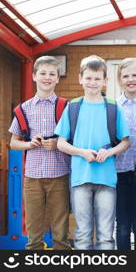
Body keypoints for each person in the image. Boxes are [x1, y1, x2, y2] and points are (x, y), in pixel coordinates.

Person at [55, 55, 130, 250]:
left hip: (107, 178)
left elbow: (125, 142)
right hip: (80, 178)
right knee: (82, 235)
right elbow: (61, 143)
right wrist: (81, 152)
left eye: (97, 79)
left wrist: (110, 152)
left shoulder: (113, 107)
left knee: (106, 236)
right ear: (80, 79)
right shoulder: (73, 107)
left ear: (105, 81)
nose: (92, 83)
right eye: (88, 78)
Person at [9, 56, 71, 250]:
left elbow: (74, 139)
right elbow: (13, 143)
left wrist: (58, 143)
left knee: (61, 231)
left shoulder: (66, 107)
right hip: (32, 177)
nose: (47, 77)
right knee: (33, 231)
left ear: (58, 78)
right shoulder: (23, 109)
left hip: (59, 175)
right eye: (43, 73)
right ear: (34, 76)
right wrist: (29, 145)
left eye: (52, 74)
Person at [115, 58, 136, 250]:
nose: (131, 79)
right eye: (126, 76)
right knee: (123, 226)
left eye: (135, 75)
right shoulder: (113, 105)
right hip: (119, 172)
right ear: (119, 79)